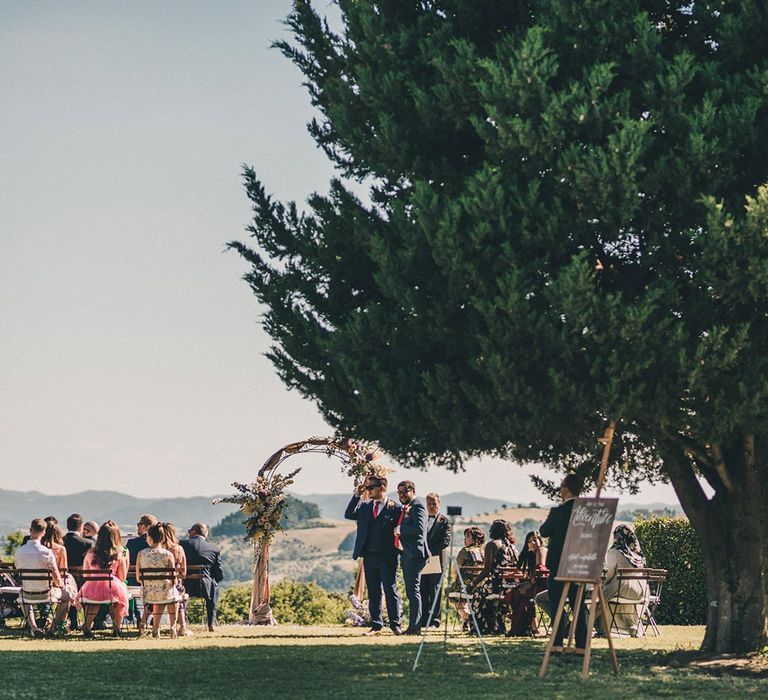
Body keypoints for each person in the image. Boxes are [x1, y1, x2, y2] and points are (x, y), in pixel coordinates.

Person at [344, 475, 403, 636]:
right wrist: (357, 494)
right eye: (367, 487)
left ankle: (395, 625)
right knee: (374, 592)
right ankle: (376, 625)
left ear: (382, 488)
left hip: (388, 556)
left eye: (371, 488)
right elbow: (348, 514)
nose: (368, 491)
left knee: (390, 590)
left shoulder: (396, 508)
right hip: (369, 556)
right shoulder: (364, 507)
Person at [538, 473, 588, 650]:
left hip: (559, 565)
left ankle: (557, 643)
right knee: (579, 606)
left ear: (566, 488)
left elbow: (543, 531)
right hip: (581, 564)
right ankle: (582, 644)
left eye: (561, 487)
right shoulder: (588, 513)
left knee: (557, 605)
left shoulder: (558, 512)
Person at [15, 518, 72, 638]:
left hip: (27, 592)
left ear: (30, 530)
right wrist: (60, 585)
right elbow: (56, 573)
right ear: (44, 532)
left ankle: (34, 628)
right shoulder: (46, 552)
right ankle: (52, 628)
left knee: (23, 598)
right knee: (67, 597)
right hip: (46, 593)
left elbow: (18, 570)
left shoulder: (19, 552)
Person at [77, 521, 129, 638]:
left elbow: (86, 575)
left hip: (92, 589)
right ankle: (116, 627)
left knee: (95, 601)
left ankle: (87, 625)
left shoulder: (90, 553)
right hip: (112, 588)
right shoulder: (119, 554)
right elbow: (122, 577)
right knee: (118, 599)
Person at [596, 525, 649, 636]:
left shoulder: (615, 552)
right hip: (641, 591)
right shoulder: (638, 554)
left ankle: (600, 628)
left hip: (622, 588)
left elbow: (609, 575)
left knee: (597, 599)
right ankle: (630, 627)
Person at [468, 519, 516, 635]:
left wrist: (472, 584)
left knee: (477, 594)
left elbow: (486, 570)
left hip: (497, 584)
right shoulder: (512, 547)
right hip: (511, 584)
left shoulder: (492, 545)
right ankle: (495, 625)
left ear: (493, 531)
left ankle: (483, 627)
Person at [137, 522, 182, 638]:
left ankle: (156, 629)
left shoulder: (141, 554)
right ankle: (172, 627)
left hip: (148, 593)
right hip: (165, 592)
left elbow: (138, 578)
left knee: (161, 595)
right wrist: (171, 584)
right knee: (173, 596)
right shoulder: (168, 554)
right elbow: (174, 579)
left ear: (150, 538)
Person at [396, 480, 429, 634]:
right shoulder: (407, 508)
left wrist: (400, 528)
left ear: (413, 491)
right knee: (411, 591)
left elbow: (420, 529)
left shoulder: (418, 506)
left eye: (404, 492)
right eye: (399, 492)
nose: (401, 495)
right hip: (407, 554)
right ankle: (414, 625)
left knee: (413, 591)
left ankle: (415, 627)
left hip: (415, 554)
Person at [181, 522, 223, 633]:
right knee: (215, 587)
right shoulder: (214, 549)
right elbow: (219, 573)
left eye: (190, 530)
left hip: (185, 585)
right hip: (205, 587)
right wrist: (212, 580)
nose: (188, 533)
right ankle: (211, 624)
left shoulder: (182, 544)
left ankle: (183, 623)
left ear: (194, 532)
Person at [505, 530, 548, 636]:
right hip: (539, 584)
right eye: (529, 541)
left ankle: (521, 624)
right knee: (516, 592)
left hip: (545, 585)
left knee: (519, 594)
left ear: (540, 541)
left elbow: (540, 570)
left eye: (534, 540)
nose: (532, 543)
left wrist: (529, 584)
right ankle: (526, 625)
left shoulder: (541, 550)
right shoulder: (531, 555)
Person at [420, 492, 451, 629]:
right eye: (429, 504)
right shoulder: (422, 519)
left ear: (439, 504)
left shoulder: (444, 521)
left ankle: (435, 620)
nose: (432, 506)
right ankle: (423, 619)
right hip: (422, 560)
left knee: (435, 591)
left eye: (434, 504)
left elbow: (445, 541)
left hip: (436, 559)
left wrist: (429, 551)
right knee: (422, 589)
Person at [450, 527, 485, 627]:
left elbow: (455, 569)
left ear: (475, 539)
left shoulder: (465, 551)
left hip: (465, 586)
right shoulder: (484, 552)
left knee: (452, 593)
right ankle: (466, 622)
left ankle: (468, 617)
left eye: (468, 537)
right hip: (480, 586)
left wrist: (455, 578)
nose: (464, 539)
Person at [126, 513, 157, 625]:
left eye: (138, 524)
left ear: (144, 527)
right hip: (156, 584)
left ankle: (137, 615)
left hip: (135, 582)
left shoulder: (132, 544)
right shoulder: (159, 546)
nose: (137, 527)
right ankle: (154, 615)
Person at [63, 513, 92, 630]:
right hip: (82, 580)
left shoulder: (60, 542)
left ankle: (73, 621)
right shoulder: (87, 543)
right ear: (81, 527)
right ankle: (87, 621)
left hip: (65, 579)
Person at [162, 522, 189, 636]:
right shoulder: (179, 549)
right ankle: (183, 626)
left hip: (158, 586)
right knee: (179, 592)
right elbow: (184, 572)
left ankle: (144, 623)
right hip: (175, 585)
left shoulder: (159, 550)